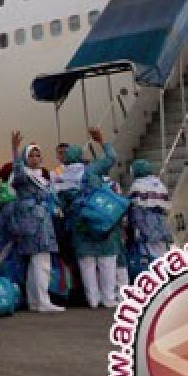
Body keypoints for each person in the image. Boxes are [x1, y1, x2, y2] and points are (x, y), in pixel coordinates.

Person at [66, 128, 122, 309]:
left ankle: (93, 299)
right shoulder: (90, 170)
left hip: (79, 224)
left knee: (87, 263)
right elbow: (111, 159)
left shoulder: (59, 177)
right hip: (99, 219)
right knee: (107, 261)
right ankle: (108, 298)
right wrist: (102, 141)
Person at [8, 132, 63, 313]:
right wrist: (14, 151)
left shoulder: (42, 177)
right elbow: (17, 171)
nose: (35, 158)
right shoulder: (23, 175)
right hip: (32, 223)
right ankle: (43, 300)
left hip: (41, 220)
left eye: (37, 154)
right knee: (42, 261)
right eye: (30, 155)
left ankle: (35, 300)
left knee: (36, 263)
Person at [126, 159, 173, 272]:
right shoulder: (160, 184)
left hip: (145, 225)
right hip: (161, 225)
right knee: (162, 254)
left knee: (148, 256)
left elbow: (134, 207)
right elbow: (166, 207)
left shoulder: (137, 185)